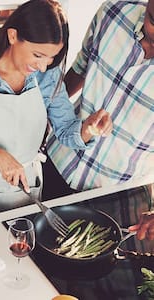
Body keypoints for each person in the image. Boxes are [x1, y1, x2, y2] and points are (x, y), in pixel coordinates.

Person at [0, 0, 112, 222]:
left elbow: (65, 130)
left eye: (52, 57)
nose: (44, 66)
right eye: (37, 55)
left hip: (25, 192)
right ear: (13, 36)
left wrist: (88, 130)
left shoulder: (48, 76)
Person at [45, 0, 154, 240]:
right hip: (59, 160)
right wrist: (40, 114)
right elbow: (78, 71)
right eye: (153, 20)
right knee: (35, 262)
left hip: (117, 194)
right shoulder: (113, 13)